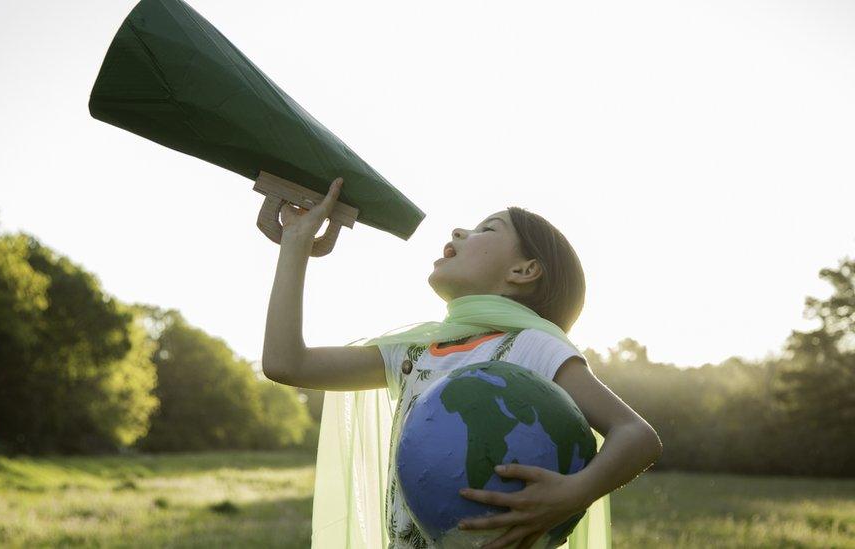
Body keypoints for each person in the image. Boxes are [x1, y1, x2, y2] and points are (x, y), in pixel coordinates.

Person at [262, 177, 663, 548]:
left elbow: (636, 434)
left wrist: (574, 493)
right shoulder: (414, 353)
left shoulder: (533, 347)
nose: (457, 232)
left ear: (524, 270)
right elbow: (286, 363)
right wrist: (295, 243)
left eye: (487, 229)